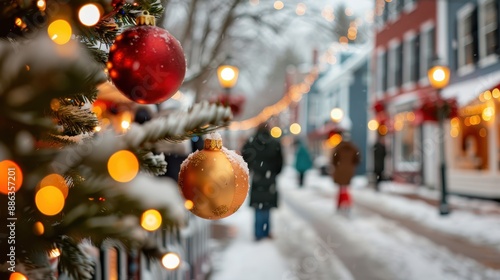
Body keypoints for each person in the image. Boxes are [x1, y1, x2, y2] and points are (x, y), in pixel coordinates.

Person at [241, 123, 284, 241]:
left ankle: (258, 232)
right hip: (270, 179)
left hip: (257, 177)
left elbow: (245, 158)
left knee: (258, 206)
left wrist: (252, 168)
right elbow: (280, 162)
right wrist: (274, 172)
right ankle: (266, 231)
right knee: (267, 206)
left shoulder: (252, 143)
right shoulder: (275, 143)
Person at [331, 132, 361, 215]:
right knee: (345, 188)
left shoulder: (338, 148)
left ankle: (342, 204)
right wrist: (351, 166)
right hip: (349, 170)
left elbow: (334, 159)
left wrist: (337, 166)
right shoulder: (353, 148)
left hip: (340, 170)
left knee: (341, 188)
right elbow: (357, 159)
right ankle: (345, 204)